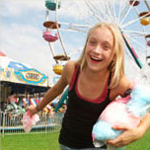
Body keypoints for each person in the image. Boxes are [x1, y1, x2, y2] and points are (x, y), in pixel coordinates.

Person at [26, 22, 150, 150]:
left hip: (94, 146)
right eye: (92, 42)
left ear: (114, 54)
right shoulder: (71, 69)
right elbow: (57, 89)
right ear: (86, 45)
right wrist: (37, 108)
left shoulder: (117, 82)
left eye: (106, 47)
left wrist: (139, 132)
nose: (96, 50)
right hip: (66, 142)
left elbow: (143, 108)